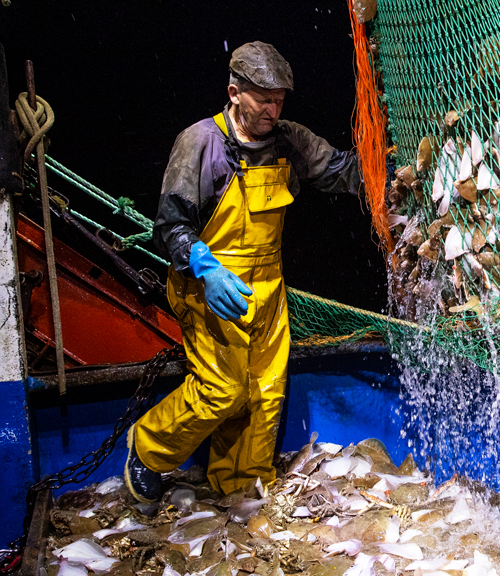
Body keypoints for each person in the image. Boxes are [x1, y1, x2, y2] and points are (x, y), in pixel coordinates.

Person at [124, 41, 362, 501]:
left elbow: (343, 171)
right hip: (208, 283)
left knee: (265, 393)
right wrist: (206, 270)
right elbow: (170, 224)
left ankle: (241, 490)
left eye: (279, 99)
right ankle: (149, 448)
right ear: (234, 92)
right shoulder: (200, 143)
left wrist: (398, 164)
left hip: (267, 287)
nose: (273, 109)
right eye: (263, 98)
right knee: (223, 389)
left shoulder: (290, 140)